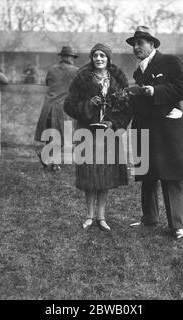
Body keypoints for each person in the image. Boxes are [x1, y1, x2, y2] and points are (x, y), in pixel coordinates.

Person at [126, 26, 183, 240]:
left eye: (140, 43)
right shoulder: (138, 71)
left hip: (167, 129)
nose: (136, 47)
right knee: (148, 174)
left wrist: (157, 91)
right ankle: (149, 218)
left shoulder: (170, 61)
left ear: (152, 44)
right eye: (134, 44)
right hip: (146, 127)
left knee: (170, 176)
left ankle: (177, 225)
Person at [64, 43, 132, 232]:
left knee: (105, 174)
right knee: (89, 174)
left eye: (103, 55)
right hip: (88, 132)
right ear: (92, 58)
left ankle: (101, 217)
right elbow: (69, 105)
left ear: (108, 58)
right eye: (95, 55)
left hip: (109, 134)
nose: (99, 59)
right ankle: (89, 215)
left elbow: (127, 108)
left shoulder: (118, 78)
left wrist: (114, 123)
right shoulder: (82, 77)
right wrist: (88, 104)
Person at [34, 46, 79, 171]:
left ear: (62, 57)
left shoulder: (52, 69)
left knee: (51, 135)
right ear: (70, 57)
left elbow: (48, 83)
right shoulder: (76, 71)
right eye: (72, 57)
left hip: (48, 107)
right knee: (62, 136)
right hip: (62, 108)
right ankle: (55, 163)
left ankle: (45, 157)